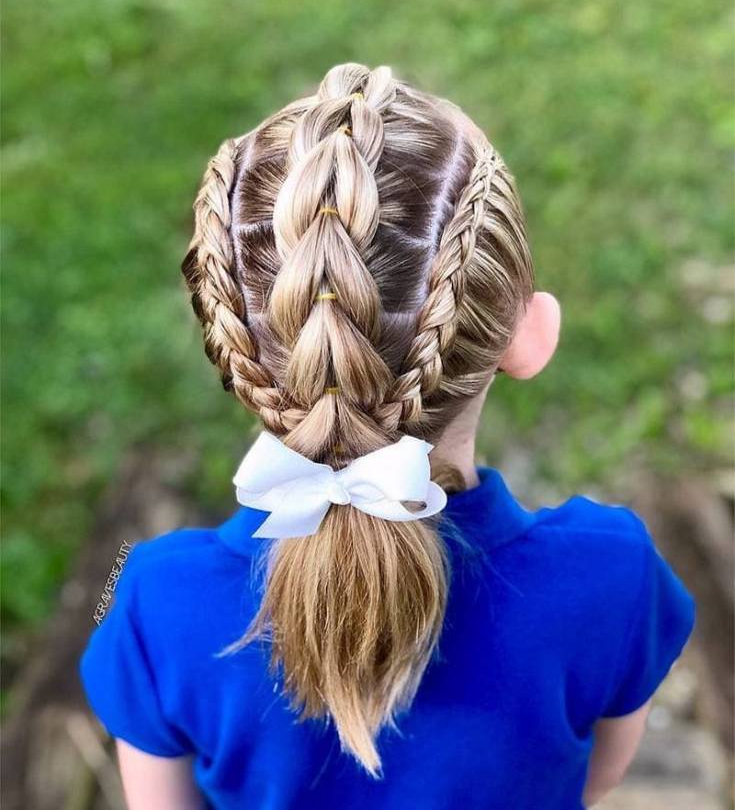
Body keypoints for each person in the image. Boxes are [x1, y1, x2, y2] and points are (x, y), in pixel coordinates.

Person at [79, 63, 696, 810]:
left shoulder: (148, 597)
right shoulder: (613, 574)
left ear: (235, 351)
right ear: (528, 334)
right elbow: (595, 779)